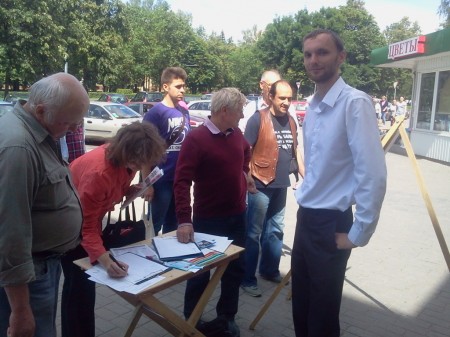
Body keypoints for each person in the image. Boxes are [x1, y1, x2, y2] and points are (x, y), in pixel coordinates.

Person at [292, 29, 387, 337]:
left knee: (322, 317)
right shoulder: (313, 105)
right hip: (306, 218)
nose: (313, 60)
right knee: (301, 308)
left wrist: (358, 233)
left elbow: (372, 173)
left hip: (332, 224)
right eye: (308, 54)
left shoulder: (354, 103)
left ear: (341, 57)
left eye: (322, 52)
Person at [0, 73, 89, 337]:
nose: (74, 129)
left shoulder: (37, 129)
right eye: (69, 123)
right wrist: (20, 309)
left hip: (41, 267)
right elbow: (9, 234)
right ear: (41, 110)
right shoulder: (19, 147)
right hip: (28, 277)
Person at [60, 122, 166, 337]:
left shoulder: (123, 158)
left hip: (86, 224)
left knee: (84, 291)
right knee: (78, 292)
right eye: (136, 163)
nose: (137, 168)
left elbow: (113, 185)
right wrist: (106, 260)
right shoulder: (99, 173)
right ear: (127, 151)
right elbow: (85, 226)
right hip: (68, 229)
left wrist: (128, 190)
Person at [174, 88, 254, 337]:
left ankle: (226, 318)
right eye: (239, 110)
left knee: (234, 270)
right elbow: (181, 181)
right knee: (200, 273)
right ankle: (192, 320)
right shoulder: (196, 139)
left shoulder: (236, 133)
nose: (242, 115)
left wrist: (245, 175)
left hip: (238, 215)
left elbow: (245, 154)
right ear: (224, 111)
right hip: (208, 219)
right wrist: (184, 220)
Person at [241, 80, 299, 297]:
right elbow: (244, 151)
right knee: (253, 233)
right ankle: (247, 278)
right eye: (282, 98)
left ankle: (269, 270)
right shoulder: (258, 119)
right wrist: (246, 177)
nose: (286, 102)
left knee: (275, 229)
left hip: (281, 184)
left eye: (289, 98)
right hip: (260, 184)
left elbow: (295, 150)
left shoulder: (291, 121)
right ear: (271, 97)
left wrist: (302, 174)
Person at [142, 66, 191, 235]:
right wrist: (147, 184)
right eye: (178, 86)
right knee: (153, 227)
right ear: (165, 87)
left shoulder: (184, 112)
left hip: (180, 180)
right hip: (160, 180)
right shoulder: (154, 114)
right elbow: (145, 152)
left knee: (174, 226)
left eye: (184, 86)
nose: (182, 90)